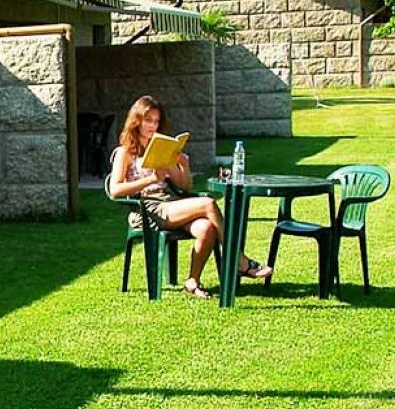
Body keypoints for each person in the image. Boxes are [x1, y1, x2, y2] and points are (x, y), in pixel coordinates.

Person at [108, 95, 272, 298]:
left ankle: (192, 281)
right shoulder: (125, 152)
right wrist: (149, 180)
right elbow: (115, 190)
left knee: (207, 227)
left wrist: (183, 166)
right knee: (209, 203)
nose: (153, 125)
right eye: (148, 120)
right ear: (136, 121)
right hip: (146, 209)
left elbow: (184, 187)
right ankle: (239, 260)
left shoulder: (159, 147)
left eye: (157, 121)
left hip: (170, 204)